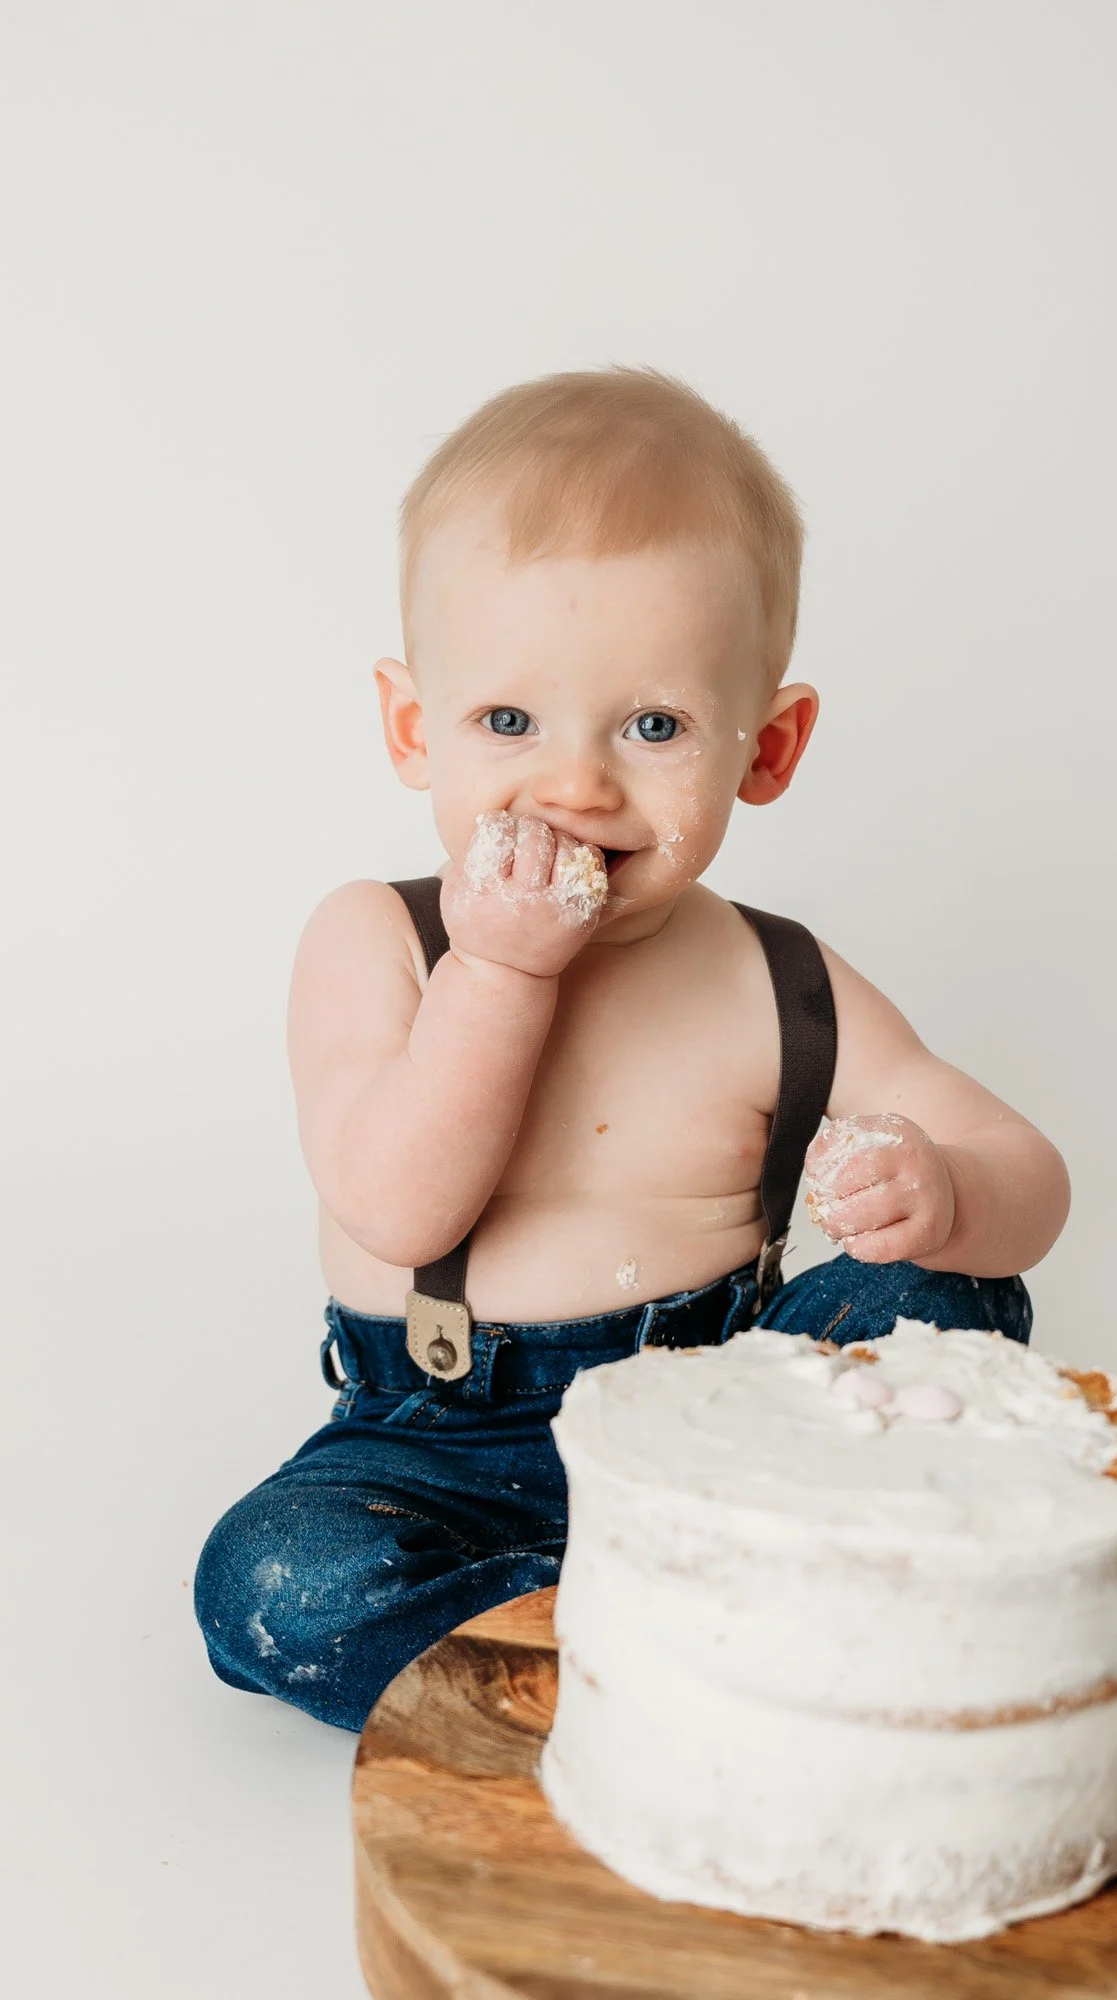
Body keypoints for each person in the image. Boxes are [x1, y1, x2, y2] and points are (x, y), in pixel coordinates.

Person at [193, 367, 1070, 1731]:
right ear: (414, 729)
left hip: (729, 1423)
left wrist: (946, 1189)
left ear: (765, 748)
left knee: (948, 1300)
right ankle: (706, 1639)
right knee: (278, 1584)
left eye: (653, 727)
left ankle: (651, 1635)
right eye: (508, 723)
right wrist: (498, 971)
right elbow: (399, 1210)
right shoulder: (380, 941)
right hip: (446, 1451)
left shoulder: (774, 977)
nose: (576, 785)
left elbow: (1029, 1177)